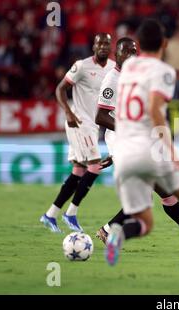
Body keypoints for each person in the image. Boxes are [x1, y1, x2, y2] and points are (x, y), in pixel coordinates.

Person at [106, 19, 179, 287]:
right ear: (165, 44)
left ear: (139, 45)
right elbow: (155, 110)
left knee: (144, 222)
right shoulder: (163, 71)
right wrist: (171, 152)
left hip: (124, 152)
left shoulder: (128, 66)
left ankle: (117, 234)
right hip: (150, 150)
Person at [40, 33, 115, 233]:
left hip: (94, 126)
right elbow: (60, 89)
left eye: (107, 43)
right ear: (93, 46)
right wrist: (68, 112)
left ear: (110, 47)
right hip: (79, 122)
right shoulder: (81, 66)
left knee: (78, 171)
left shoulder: (113, 69)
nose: (103, 47)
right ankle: (71, 213)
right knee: (95, 166)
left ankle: (50, 214)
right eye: (100, 43)